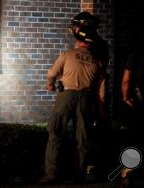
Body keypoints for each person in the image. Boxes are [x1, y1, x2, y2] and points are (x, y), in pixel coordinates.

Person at [40, 15, 106, 184]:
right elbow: (101, 90)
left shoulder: (66, 54)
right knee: (82, 138)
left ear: (78, 40)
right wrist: (100, 109)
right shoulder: (97, 62)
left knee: (56, 132)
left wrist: (50, 85)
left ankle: (51, 174)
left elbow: (51, 74)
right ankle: (79, 175)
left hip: (66, 96)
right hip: (86, 99)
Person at [121, 26, 144, 187]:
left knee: (134, 138)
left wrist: (125, 97)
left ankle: (128, 170)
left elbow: (126, 79)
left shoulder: (137, 54)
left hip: (140, 103)